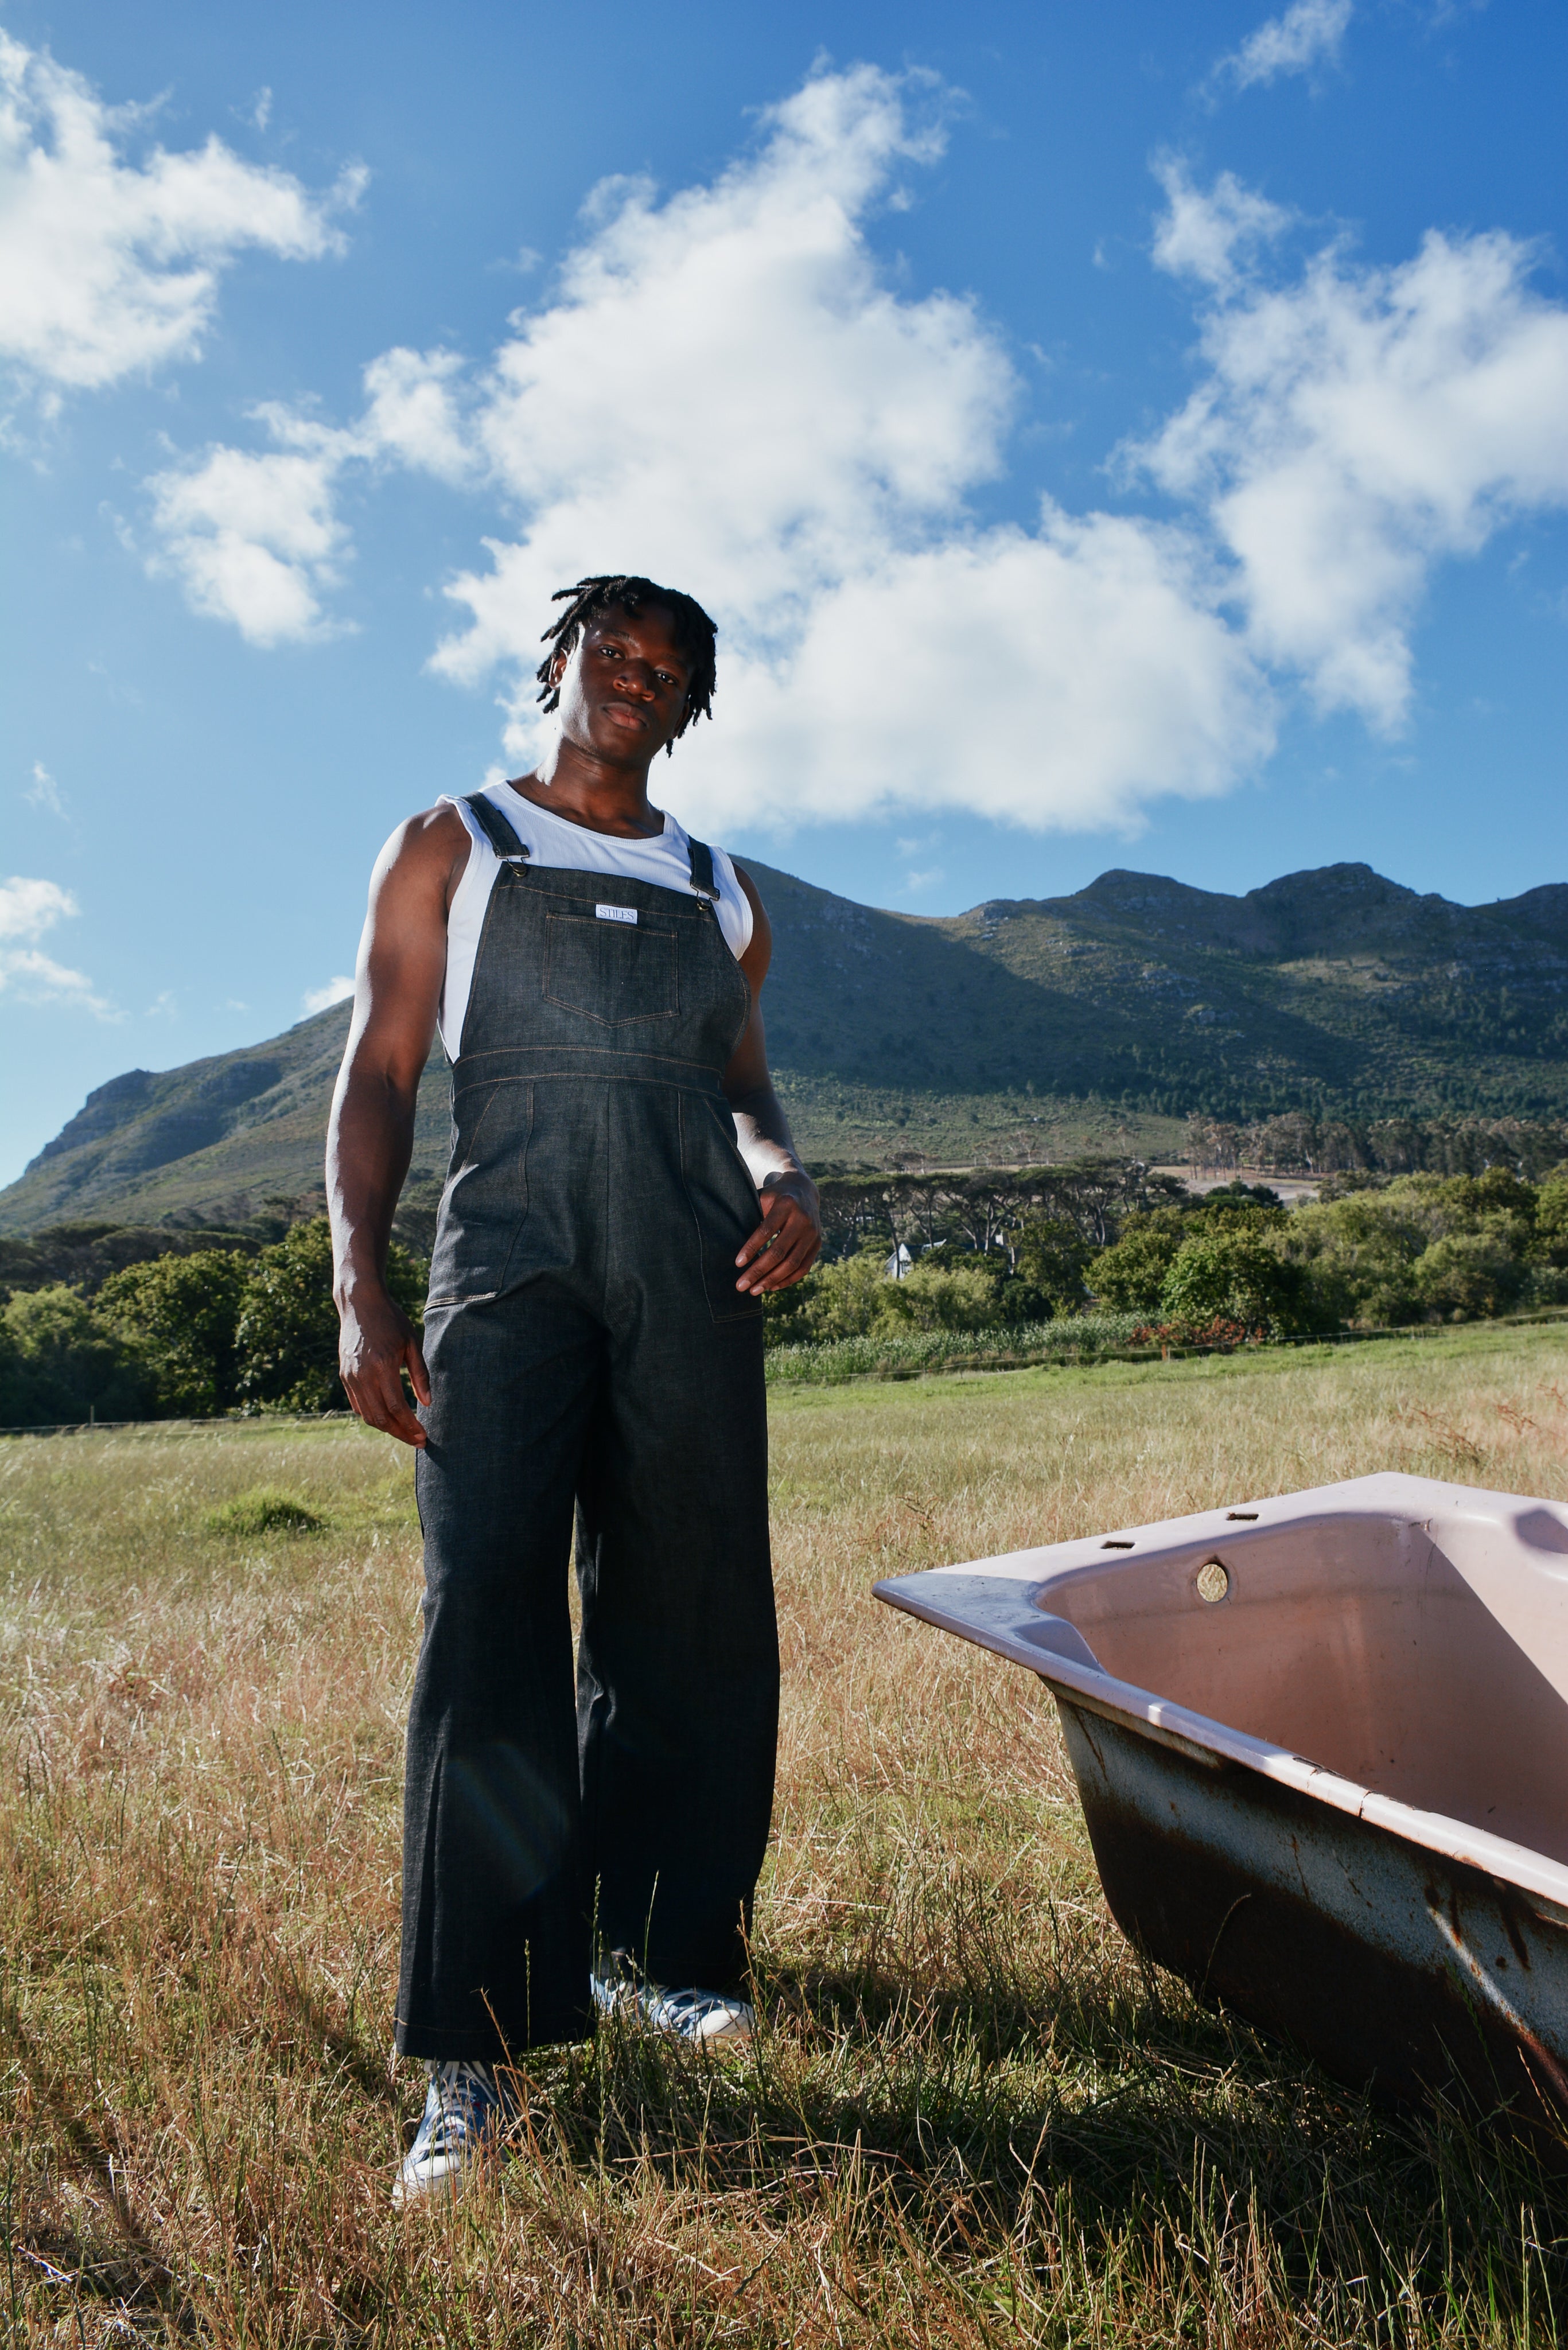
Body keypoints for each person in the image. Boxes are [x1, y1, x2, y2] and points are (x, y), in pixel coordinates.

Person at [326, 574, 821, 2205]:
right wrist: (362, 1284)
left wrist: (784, 1178)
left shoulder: (721, 890)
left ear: (690, 706)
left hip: (691, 1273)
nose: (637, 678)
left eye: (669, 669)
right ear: (559, 666)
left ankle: (663, 1954)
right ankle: (474, 2051)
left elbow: (745, 1088)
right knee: (487, 1619)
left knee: (691, 1611)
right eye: (613, 651)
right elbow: (383, 1065)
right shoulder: (453, 844)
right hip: (511, 1269)